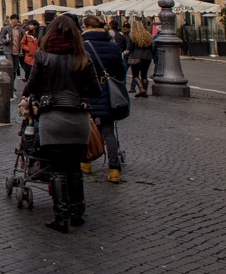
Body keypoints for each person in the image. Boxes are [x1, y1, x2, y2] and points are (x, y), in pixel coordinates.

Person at [22, 13, 101, 233]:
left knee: (57, 168)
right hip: (78, 119)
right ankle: (77, 212)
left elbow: (32, 87)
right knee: (74, 168)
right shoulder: (83, 59)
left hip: (52, 118)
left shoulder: (43, 58)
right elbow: (95, 91)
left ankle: (61, 216)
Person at [82, 15, 127, 183]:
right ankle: (114, 169)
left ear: (86, 27)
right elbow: (121, 73)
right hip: (107, 92)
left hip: (87, 91)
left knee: (87, 127)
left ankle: (86, 162)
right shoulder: (113, 46)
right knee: (108, 131)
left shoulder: (82, 46)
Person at [126, 21, 154, 98]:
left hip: (136, 56)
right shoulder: (148, 35)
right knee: (144, 75)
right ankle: (145, 91)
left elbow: (129, 48)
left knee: (135, 75)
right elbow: (152, 47)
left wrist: (126, 53)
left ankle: (141, 89)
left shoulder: (132, 36)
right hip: (147, 57)